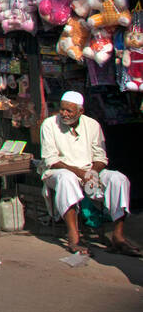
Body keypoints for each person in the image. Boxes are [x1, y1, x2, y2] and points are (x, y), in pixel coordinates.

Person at [40, 91, 139, 257]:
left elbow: (100, 157)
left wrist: (92, 172)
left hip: (88, 170)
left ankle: (118, 236)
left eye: (69, 111)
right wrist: (80, 173)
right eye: (62, 109)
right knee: (67, 178)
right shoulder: (49, 124)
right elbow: (51, 159)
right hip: (58, 172)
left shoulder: (92, 125)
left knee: (119, 179)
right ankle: (74, 237)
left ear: (80, 111)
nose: (64, 113)